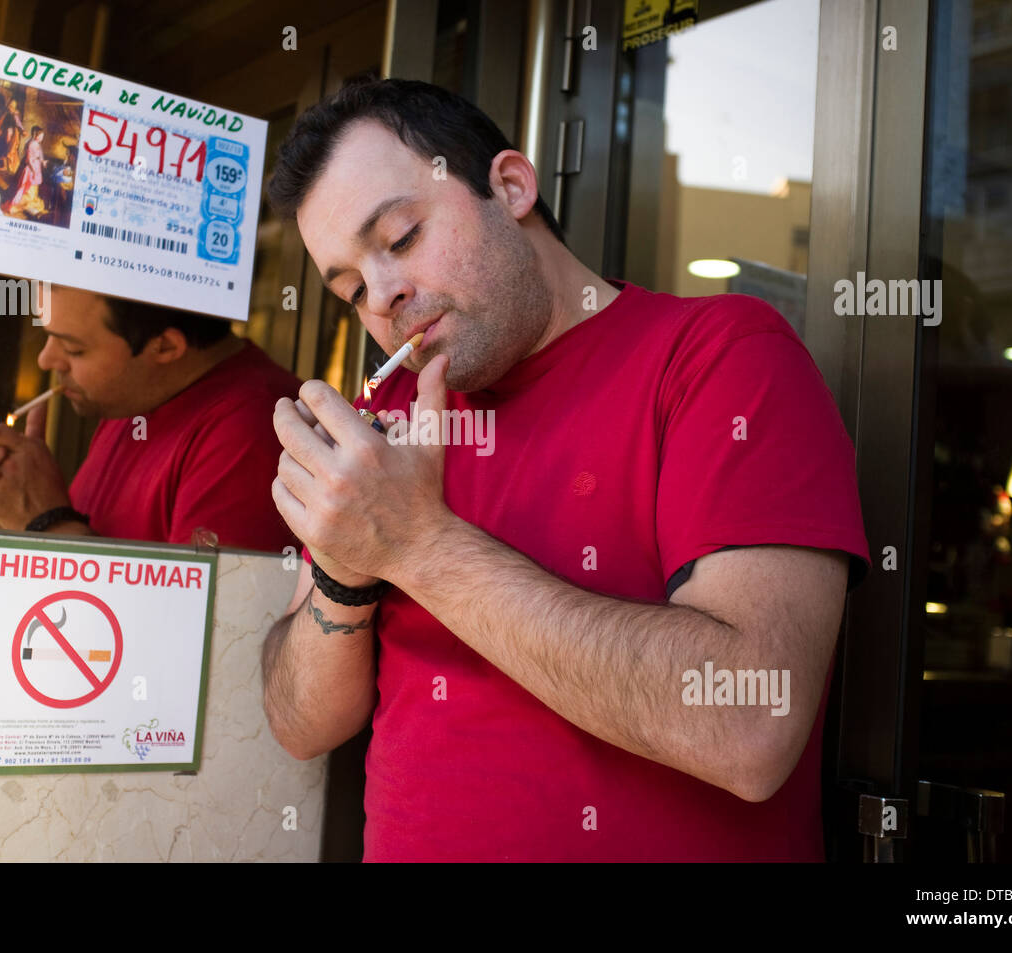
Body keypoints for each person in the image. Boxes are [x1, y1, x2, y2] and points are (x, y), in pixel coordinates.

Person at [260, 77, 871, 861]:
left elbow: (750, 720)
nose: (383, 296)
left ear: (511, 186)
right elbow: (300, 722)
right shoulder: (388, 424)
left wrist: (417, 546)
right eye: (349, 287)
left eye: (403, 237)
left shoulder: (721, 357)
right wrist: (348, 570)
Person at [0, 286, 301, 553]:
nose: (46, 359)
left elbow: (192, 629)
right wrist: (11, 513)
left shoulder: (252, 430)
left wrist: (45, 522)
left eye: (74, 348)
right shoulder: (136, 397)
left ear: (164, 347)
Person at [1, 125, 45, 215]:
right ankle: (20, 204)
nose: (42, 138)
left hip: (36, 167)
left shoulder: (37, 144)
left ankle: (30, 201)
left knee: (33, 188)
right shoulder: (32, 144)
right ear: (36, 135)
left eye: (42, 136)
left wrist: (42, 161)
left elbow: (39, 155)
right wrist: (33, 171)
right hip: (30, 169)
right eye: (40, 136)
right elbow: (28, 159)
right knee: (27, 188)